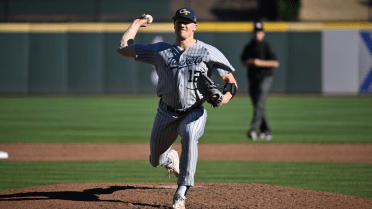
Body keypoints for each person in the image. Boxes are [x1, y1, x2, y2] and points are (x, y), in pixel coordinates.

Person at [117, 7, 238, 209]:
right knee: (155, 160)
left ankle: (181, 193)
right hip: (165, 112)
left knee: (190, 134)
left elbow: (230, 83)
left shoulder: (207, 51)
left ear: (195, 27)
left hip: (194, 111)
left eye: (187, 21)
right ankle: (171, 158)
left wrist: (223, 99)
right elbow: (123, 48)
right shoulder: (160, 51)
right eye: (179, 20)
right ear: (174, 25)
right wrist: (137, 23)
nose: (182, 23)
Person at [240, 21, 279, 141]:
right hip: (253, 79)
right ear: (253, 33)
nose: (258, 34)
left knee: (260, 104)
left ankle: (252, 129)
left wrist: (260, 62)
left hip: (266, 78)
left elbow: (275, 63)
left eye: (260, 32)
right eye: (256, 32)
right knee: (258, 105)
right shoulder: (249, 46)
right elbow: (243, 62)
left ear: (263, 33)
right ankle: (266, 130)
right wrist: (251, 62)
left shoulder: (267, 46)